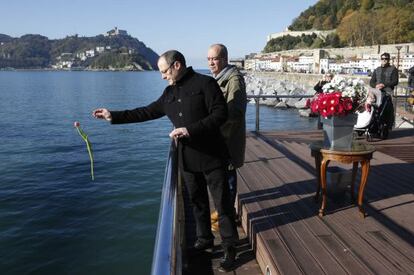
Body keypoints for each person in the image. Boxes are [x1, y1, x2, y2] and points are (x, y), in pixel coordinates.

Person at [92, 50, 238, 271]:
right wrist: (113, 115)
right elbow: (146, 112)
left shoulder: (205, 84)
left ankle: (229, 247)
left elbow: (220, 114)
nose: (162, 76)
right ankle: (205, 239)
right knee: (197, 202)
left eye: (164, 71)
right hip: (187, 158)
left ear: (177, 65)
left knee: (222, 204)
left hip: (213, 156)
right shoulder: (169, 93)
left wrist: (189, 130)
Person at [207, 44, 247, 232]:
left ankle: (227, 214)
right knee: (224, 176)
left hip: (228, 139)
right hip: (222, 138)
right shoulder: (221, 78)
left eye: (213, 59)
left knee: (229, 176)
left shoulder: (234, 79)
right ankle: (224, 211)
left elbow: (235, 112)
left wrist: (218, 133)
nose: (210, 63)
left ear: (224, 59)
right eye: (208, 59)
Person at [370, 52, 398, 129]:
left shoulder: (393, 69)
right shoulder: (377, 69)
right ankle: (371, 124)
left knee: (386, 110)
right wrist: (376, 85)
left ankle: (386, 126)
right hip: (376, 91)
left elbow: (395, 81)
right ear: (381, 59)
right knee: (371, 106)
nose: (384, 60)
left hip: (387, 92)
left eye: (386, 58)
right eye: (383, 58)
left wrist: (384, 85)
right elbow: (372, 81)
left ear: (389, 60)